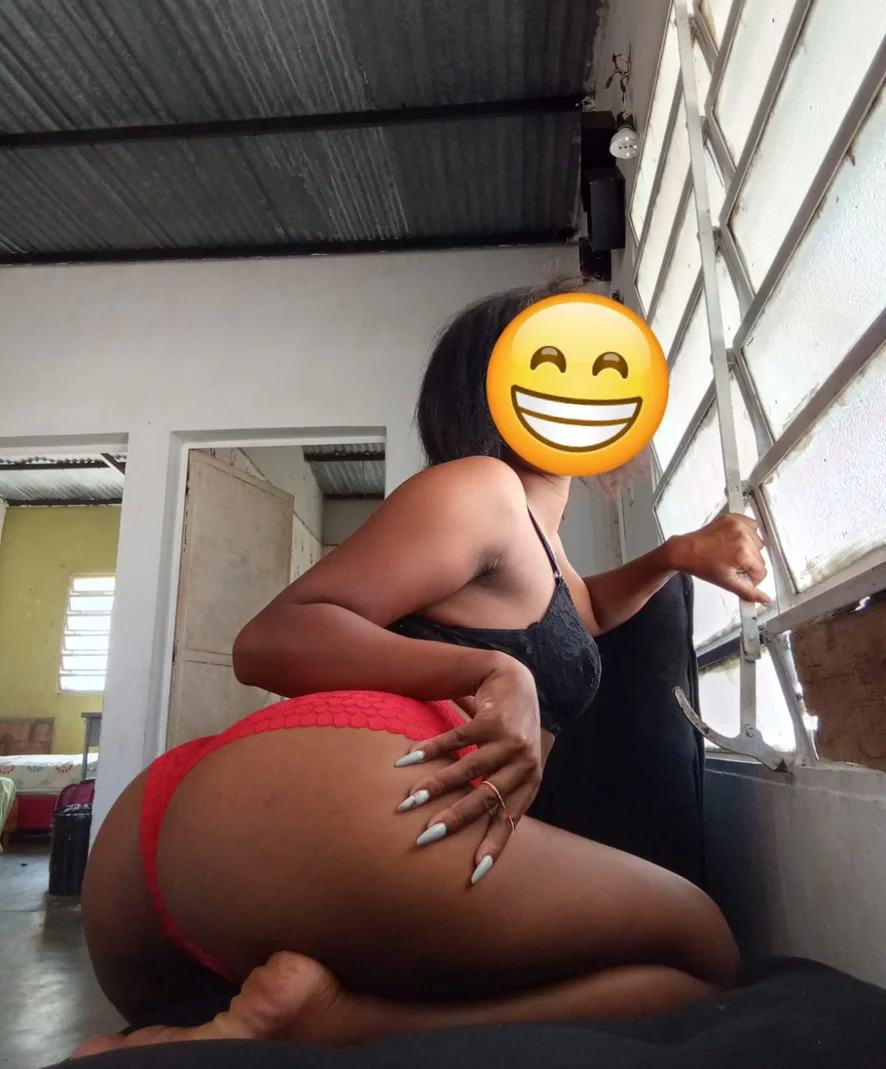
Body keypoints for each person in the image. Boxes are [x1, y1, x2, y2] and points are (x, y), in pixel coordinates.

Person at [77, 276, 771, 1056]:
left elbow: (586, 613)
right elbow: (269, 639)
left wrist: (677, 554)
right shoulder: (485, 489)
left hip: (176, 846)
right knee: (703, 949)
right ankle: (341, 1025)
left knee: (681, 976)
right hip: (367, 798)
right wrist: (487, 672)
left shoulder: (540, 548)